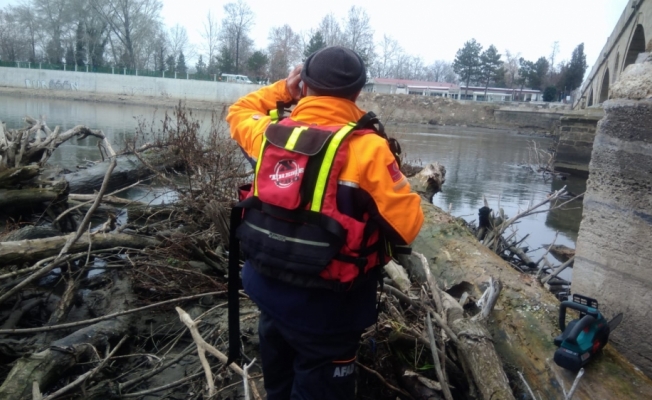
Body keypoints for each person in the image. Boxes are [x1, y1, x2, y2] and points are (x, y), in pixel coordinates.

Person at [227, 46, 423, 400]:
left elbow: (240, 110)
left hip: (268, 290)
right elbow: (407, 226)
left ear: (305, 85)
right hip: (330, 309)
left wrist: (284, 89)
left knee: (279, 386)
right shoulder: (369, 149)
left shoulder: (268, 136)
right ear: (358, 92)